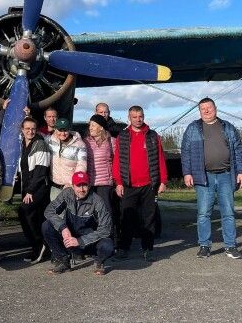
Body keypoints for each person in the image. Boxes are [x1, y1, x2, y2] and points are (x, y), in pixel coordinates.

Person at [181, 97, 242, 260]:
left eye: (209, 107)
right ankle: (204, 246)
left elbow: (238, 150)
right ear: (199, 111)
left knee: (228, 213)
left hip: (226, 175)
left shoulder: (228, 127)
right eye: (202, 108)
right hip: (203, 177)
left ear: (215, 108)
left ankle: (230, 246)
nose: (206, 111)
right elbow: (185, 152)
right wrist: (187, 173)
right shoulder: (192, 128)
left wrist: (241, 171)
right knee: (203, 213)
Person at [112, 105, 168, 262]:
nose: (138, 119)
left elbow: (160, 159)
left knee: (148, 219)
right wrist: (118, 182)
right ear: (129, 118)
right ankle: (124, 248)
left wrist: (163, 181)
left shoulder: (152, 136)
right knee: (126, 218)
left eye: (140, 116)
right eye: (134, 117)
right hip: (128, 185)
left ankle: (148, 249)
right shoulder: (122, 136)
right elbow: (117, 162)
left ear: (144, 116)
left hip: (149, 185)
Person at [42, 171, 114, 275]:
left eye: (84, 185)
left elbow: (106, 229)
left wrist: (80, 241)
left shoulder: (98, 201)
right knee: (47, 226)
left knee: (108, 245)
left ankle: (100, 262)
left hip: (89, 243)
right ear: (72, 186)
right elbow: (49, 211)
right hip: (69, 239)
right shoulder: (67, 194)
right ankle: (63, 261)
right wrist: (63, 228)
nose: (81, 189)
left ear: (89, 185)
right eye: (78, 185)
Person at [16, 117, 51, 263]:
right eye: (27, 128)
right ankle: (39, 246)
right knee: (34, 217)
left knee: (25, 212)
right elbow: (24, 166)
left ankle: (40, 244)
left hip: (38, 188)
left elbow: (40, 170)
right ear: (22, 130)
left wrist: (30, 191)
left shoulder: (40, 144)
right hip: (27, 186)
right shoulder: (23, 144)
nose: (30, 131)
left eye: (33, 129)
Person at [47, 118, 87, 200]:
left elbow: (82, 166)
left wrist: (71, 183)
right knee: (56, 211)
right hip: (55, 186)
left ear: (69, 129)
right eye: (60, 130)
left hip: (71, 187)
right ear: (55, 129)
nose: (63, 133)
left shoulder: (80, 145)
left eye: (65, 130)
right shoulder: (49, 140)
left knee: (70, 211)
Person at [82, 114, 115, 212]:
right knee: (91, 212)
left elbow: (117, 162)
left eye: (93, 125)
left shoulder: (111, 141)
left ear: (101, 128)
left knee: (105, 211)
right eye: (90, 125)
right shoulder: (85, 142)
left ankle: (109, 227)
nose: (90, 127)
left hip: (105, 184)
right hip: (89, 183)